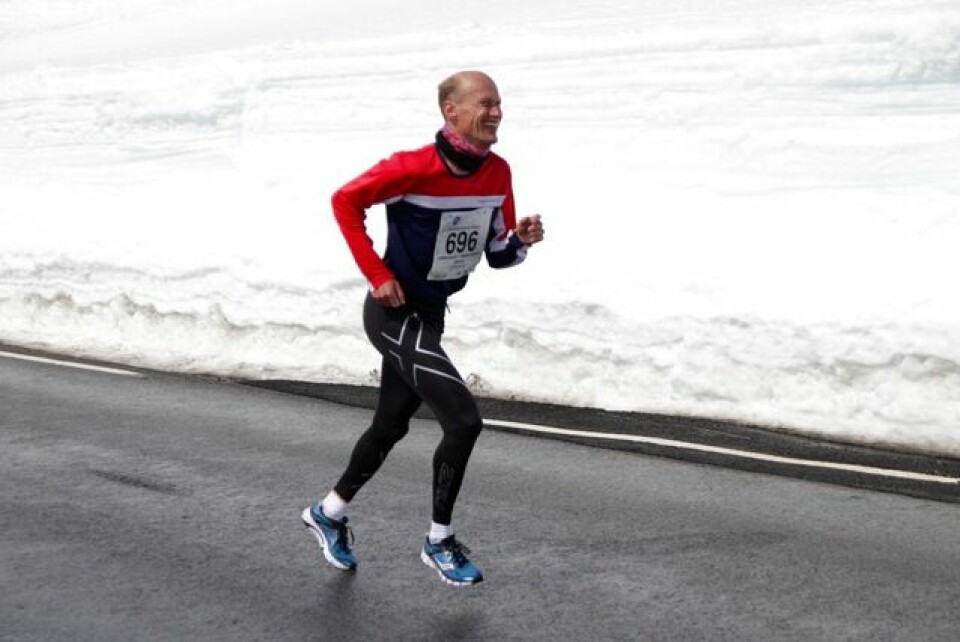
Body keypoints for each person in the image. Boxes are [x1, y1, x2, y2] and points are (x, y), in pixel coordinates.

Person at [302, 70, 545, 586]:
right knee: (463, 419)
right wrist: (377, 273)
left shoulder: (498, 173)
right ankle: (439, 541)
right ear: (450, 111)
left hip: (429, 315)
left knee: (390, 424)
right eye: (485, 103)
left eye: (500, 103)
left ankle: (329, 512)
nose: (496, 112)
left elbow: (497, 255)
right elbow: (343, 201)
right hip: (394, 313)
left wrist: (521, 240)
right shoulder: (411, 168)